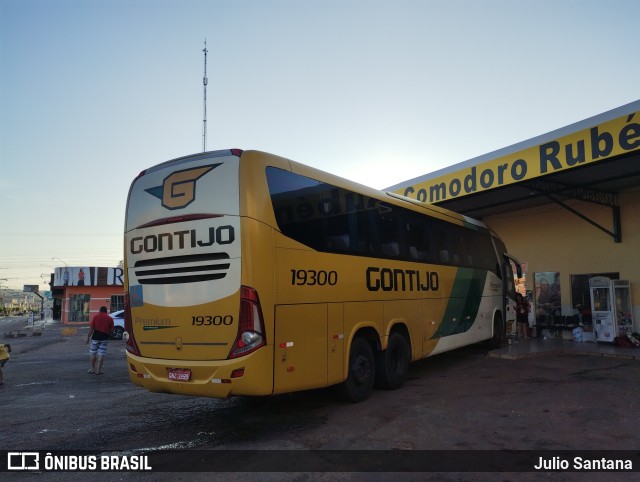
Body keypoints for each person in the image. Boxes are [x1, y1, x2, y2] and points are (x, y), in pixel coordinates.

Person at [85, 306, 114, 375]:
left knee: (93, 353)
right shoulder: (110, 318)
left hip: (95, 337)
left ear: (99, 310)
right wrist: (110, 335)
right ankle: (98, 370)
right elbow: (112, 330)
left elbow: (91, 329)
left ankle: (92, 369)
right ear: (106, 311)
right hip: (104, 338)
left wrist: (87, 338)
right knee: (101, 353)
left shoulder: (95, 317)